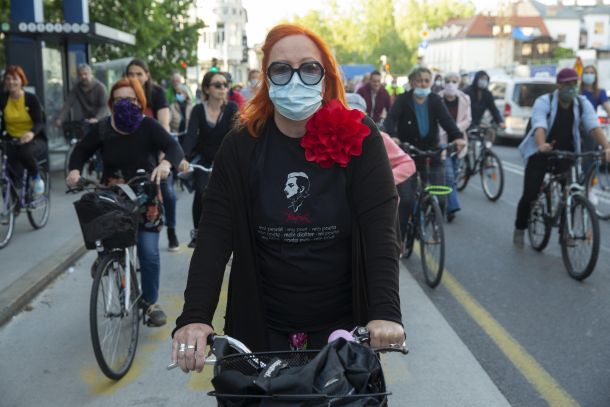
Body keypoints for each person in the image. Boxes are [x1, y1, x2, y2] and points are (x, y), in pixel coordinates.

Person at [171, 23, 405, 372]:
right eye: (281, 69)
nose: (296, 79)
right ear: (266, 77)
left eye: (310, 68)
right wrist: (195, 316)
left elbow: (380, 229)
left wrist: (385, 313)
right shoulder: (241, 145)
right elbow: (215, 234)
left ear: (325, 75)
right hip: (260, 325)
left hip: (342, 326)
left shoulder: (360, 135)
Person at [66, 77, 185, 326]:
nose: (125, 104)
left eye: (130, 99)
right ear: (111, 103)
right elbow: (80, 151)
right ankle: (109, 259)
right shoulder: (103, 128)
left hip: (145, 199)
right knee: (110, 243)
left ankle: (150, 302)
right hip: (113, 200)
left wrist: (165, 163)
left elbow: (174, 147)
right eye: (119, 99)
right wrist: (74, 171)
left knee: (148, 252)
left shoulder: (149, 126)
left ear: (140, 102)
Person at [514, 68, 610, 247]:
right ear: (559, 85)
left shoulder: (581, 103)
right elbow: (539, 124)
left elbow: (593, 126)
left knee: (573, 191)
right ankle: (519, 228)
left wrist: (606, 147)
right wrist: (542, 145)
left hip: (567, 152)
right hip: (541, 151)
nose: (572, 88)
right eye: (567, 85)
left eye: (574, 84)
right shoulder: (544, 101)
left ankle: (567, 232)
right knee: (530, 193)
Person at [384, 66, 465, 243]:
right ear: (412, 82)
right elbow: (390, 120)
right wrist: (393, 137)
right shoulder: (403, 99)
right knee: (405, 200)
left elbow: (447, 121)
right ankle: (401, 240)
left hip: (431, 153)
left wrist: (458, 137)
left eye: (427, 81)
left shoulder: (435, 100)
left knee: (441, 197)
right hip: (407, 154)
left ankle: (434, 227)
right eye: (419, 80)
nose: (423, 84)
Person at [181, 71, 239, 248]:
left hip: (226, 158)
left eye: (225, 84)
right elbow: (191, 135)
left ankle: (233, 232)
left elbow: (236, 135)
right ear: (206, 89)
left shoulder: (232, 108)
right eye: (217, 85)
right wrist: (183, 157)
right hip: (204, 159)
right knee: (200, 191)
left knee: (233, 196)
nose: (223, 88)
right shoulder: (198, 110)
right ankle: (198, 232)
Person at [127, 58, 180, 251]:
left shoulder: (157, 93)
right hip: (133, 153)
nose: (135, 77)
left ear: (147, 75)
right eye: (131, 74)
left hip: (157, 150)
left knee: (167, 191)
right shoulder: (125, 92)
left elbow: (164, 125)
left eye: (139, 74)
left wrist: (163, 156)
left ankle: (171, 230)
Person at [345, 92, 415, 185]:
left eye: (358, 115)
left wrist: (383, 182)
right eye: (347, 114)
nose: (353, 119)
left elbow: (408, 164)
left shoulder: (377, 137)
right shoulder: (331, 140)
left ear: (365, 116)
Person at [0, 65, 47, 195]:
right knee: (9, 164)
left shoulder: (31, 98)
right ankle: (14, 203)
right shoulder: (3, 99)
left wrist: (31, 133)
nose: (11, 82)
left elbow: (39, 122)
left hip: (34, 137)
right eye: (8, 79)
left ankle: (36, 177)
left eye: (15, 79)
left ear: (21, 80)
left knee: (25, 153)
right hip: (11, 137)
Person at [439, 72, 472, 222]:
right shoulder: (436, 98)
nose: (451, 83)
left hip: (458, 143)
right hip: (442, 142)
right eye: (448, 80)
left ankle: (444, 203)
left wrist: (455, 128)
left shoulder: (465, 99)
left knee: (454, 176)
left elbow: (468, 119)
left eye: (454, 81)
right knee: (449, 176)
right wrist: (447, 127)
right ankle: (452, 207)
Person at [54, 63, 108, 128]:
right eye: (80, 75)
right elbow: (68, 104)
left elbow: (104, 106)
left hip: (102, 120)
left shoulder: (100, 88)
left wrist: (97, 118)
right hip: (87, 121)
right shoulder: (77, 88)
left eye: (85, 74)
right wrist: (60, 119)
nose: (83, 77)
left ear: (91, 74)